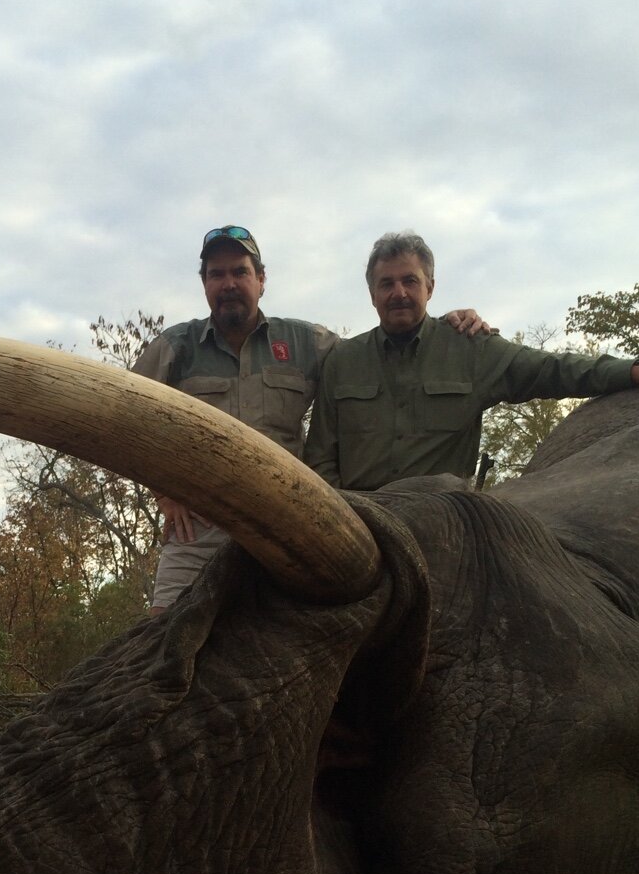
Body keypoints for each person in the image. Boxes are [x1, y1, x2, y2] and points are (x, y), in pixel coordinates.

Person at [133, 226, 486, 611]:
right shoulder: (174, 347)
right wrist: (166, 495)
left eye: (240, 271)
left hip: (287, 525)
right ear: (204, 284)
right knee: (158, 639)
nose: (229, 283)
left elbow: (378, 351)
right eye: (217, 274)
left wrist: (444, 327)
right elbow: (125, 417)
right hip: (198, 531)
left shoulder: (307, 342)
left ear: (261, 280)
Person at [304, 230, 639, 492]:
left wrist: (632, 371)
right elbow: (321, 455)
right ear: (372, 294)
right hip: (359, 523)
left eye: (410, 280)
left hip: (445, 522)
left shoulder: (471, 347)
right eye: (386, 283)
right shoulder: (343, 361)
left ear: (430, 286)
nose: (399, 293)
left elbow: (551, 369)